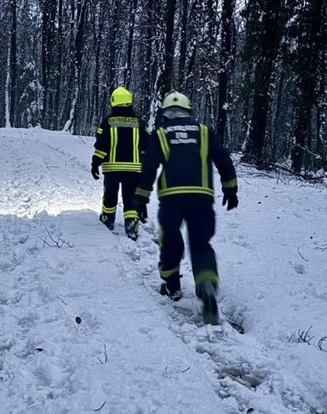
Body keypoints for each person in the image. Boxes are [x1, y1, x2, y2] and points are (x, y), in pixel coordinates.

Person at [133, 90, 238, 324]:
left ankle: (172, 286)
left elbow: (148, 167)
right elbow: (223, 159)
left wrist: (141, 199)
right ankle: (207, 284)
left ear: (165, 113)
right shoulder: (204, 131)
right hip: (202, 199)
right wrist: (230, 188)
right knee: (201, 244)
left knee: (170, 241)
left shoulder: (161, 133)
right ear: (188, 111)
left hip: (172, 200)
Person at [91, 86, 149, 240]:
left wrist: (95, 163)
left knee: (110, 196)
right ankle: (131, 226)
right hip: (134, 170)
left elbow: (101, 146)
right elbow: (148, 146)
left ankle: (108, 219)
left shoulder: (108, 123)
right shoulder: (140, 124)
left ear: (113, 102)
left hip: (112, 169)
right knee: (131, 198)